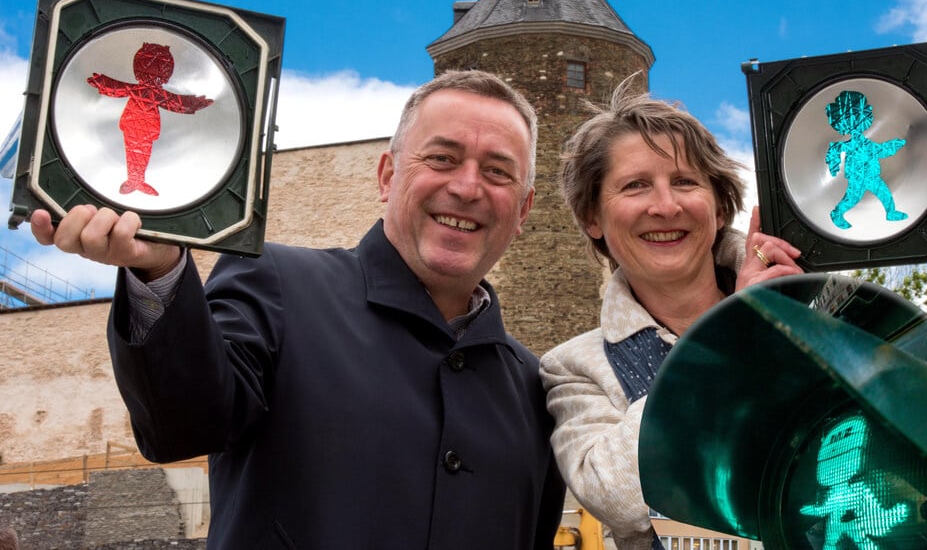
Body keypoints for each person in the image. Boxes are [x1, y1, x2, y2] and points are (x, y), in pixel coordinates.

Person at [31, 70, 565, 549]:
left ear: (522, 210)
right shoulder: (278, 283)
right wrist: (160, 270)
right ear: (386, 176)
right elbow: (182, 425)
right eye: (442, 158)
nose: (467, 187)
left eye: (497, 172)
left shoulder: (535, 388)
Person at [538, 76, 805, 550]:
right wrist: (731, 336)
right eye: (635, 186)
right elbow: (616, 497)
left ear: (720, 207)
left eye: (684, 181)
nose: (665, 206)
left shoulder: (806, 304)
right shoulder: (573, 367)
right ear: (592, 218)